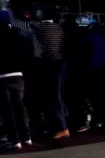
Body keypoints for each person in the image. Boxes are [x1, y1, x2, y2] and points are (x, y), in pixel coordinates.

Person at [31, 9, 70, 139]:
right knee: (59, 95)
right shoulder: (59, 29)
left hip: (49, 65)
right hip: (61, 63)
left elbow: (37, 51)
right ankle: (62, 124)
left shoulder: (39, 29)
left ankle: (61, 127)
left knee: (52, 97)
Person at [0, 10, 31, 150]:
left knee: (7, 110)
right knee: (20, 107)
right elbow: (26, 54)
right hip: (17, 75)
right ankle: (26, 137)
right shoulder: (18, 36)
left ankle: (15, 140)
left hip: (2, 76)